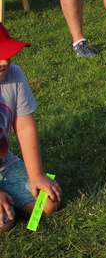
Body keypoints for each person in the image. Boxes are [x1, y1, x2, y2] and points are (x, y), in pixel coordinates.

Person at [0, 23, 62, 233]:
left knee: (49, 204)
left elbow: (25, 128)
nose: (5, 62)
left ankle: (9, 198)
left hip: (5, 166)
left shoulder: (14, 74)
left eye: (7, 54)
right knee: (4, 222)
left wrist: (36, 175)